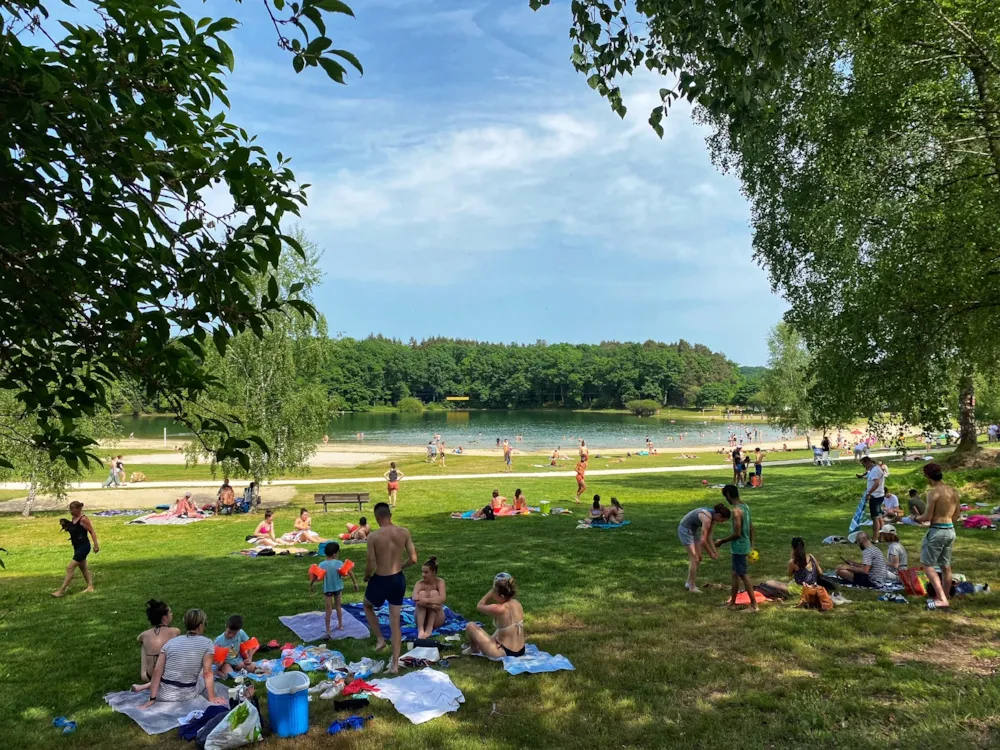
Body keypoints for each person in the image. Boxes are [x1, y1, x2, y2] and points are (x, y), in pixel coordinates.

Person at [363, 502, 417, 674]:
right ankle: (394, 665)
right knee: (395, 623)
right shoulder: (404, 532)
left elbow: (370, 562)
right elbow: (414, 559)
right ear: (390, 515)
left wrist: (366, 576)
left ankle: (380, 639)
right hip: (398, 579)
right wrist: (402, 565)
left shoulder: (373, 536)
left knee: (367, 605)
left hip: (381, 579)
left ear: (378, 518)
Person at [140, 609, 228, 708]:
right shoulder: (207, 643)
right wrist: (212, 698)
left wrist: (152, 698)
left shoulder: (170, 643)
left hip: (163, 695)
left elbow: (157, 671)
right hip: (186, 694)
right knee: (202, 676)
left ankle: (143, 688)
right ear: (200, 625)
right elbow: (207, 673)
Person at [918, 462, 961, 610]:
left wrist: (916, 518)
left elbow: (927, 516)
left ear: (928, 476)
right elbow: (957, 515)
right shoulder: (953, 491)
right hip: (950, 530)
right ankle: (945, 596)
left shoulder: (933, 492)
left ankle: (942, 599)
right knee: (945, 565)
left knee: (927, 565)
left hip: (937, 531)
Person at [715, 485, 758, 612]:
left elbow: (737, 533)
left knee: (743, 575)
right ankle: (732, 603)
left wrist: (722, 541)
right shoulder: (746, 507)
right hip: (743, 545)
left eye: (725, 496)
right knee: (735, 574)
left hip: (739, 547)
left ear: (728, 495)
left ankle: (754, 605)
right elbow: (751, 527)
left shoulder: (736, 511)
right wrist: (751, 544)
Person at [463, 573, 525, 658]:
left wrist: (491, 590)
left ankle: (474, 650)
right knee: (503, 628)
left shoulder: (500, 608)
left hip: (504, 652)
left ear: (502, 596)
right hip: (521, 650)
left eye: (495, 593)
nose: (493, 596)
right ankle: (486, 645)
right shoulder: (517, 604)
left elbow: (479, 605)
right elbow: (507, 629)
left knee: (470, 626)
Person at [678, 503, 731, 593]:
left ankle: (689, 582)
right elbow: (703, 541)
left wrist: (714, 551)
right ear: (718, 515)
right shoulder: (707, 519)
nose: (721, 522)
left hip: (692, 531)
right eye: (722, 520)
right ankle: (692, 587)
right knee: (695, 559)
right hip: (685, 531)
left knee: (699, 558)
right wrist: (710, 554)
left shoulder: (713, 518)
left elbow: (709, 536)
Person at [311, 542, 359, 635]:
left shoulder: (322, 564)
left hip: (328, 590)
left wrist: (311, 585)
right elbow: (350, 572)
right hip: (338, 589)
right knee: (338, 607)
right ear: (334, 554)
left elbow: (314, 576)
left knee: (328, 610)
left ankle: (328, 629)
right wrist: (355, 583)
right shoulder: (339, 563)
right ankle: (340, 625)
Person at [52, 501, 99, 597]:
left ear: (78, 509)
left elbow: (92, 531)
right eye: (70, 509)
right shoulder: (73, 518)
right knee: (83, 568)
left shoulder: (84, 519)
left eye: (72, 509)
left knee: (70, 568)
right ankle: (90, 587)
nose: (71, 511)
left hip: (84, 547)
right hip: (77, 547)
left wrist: (96, 545)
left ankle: (61, 591)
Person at [133, 599, 181, 691]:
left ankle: (151, 682)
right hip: (170, 676)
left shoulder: (144, 635)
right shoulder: (175, 631)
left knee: (143, 644)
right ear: (164, 618)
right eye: (170, 613)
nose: (172, 614)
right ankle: (160, 681)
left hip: (148, 676)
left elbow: (138, 639)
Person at [413, 556, 446, 639]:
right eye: (422, 572)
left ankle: (429, 628)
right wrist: (432, 605)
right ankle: (420, 630)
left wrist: (426, 600)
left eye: (426, 572)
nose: (423, 575)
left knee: (434, 593)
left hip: (436, 619)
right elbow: (415, 598)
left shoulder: (439, 582)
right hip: (421, 618)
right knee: (422, 593)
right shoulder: (419, 583)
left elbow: (442, 598)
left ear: (433, 572)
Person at [860, 455, 886, 538]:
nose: (864, 467)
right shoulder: (875, 469)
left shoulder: (875, 470)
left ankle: (875, 538)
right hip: (879, 495)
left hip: (875, 496)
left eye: (864, 465)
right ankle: (882, 536)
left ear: (868, 462)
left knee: (875, 518)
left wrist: (869, 493)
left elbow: (876, 483)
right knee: (879, 517)